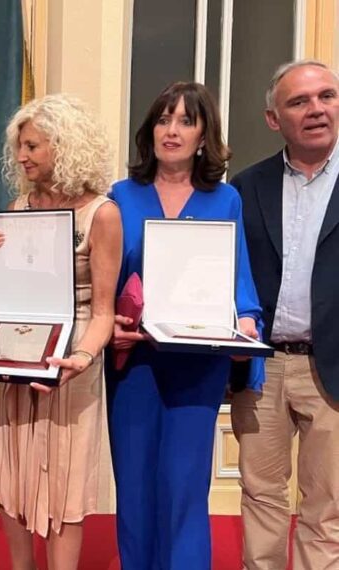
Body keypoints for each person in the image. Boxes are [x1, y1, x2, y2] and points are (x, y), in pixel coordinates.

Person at [106, 82, 263, 569]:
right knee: (134, 485)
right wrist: (107, 322)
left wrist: (246, 322)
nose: (171, 131)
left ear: (203, 136)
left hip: (198, 362)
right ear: (149, 130)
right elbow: (102, 276)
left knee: (185, 485)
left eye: (185, 121)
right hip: (134, 363)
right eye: (162, 119)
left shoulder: (227, 200)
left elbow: (238, 275)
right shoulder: (119, 196)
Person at [0, 94, 122, 570]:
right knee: (12, 472)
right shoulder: (18, 205)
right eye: (20, 147)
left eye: (32, 146)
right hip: (18, 350)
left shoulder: (102, 214)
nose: (21, 156)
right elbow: (8, 290)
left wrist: (80, 359)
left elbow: (104, 311)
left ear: (65, 145)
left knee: (66, 477)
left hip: (72, 361)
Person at [230, 60, 339, 569]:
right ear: (274, 119)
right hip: (263, 366)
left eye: (327, 96)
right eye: (299, 101)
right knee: (262, 498)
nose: (317, 109)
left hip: (332, 366)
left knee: (327, 509)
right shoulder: (245, 187)